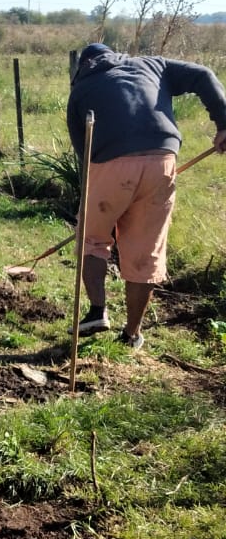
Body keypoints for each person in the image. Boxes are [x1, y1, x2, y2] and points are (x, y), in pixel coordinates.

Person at [67, 42, 226, 350]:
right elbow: (203, 74)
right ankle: (132, 334)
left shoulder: (82, 88)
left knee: (92, 240)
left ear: (83, 66)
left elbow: (83, 155)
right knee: (145, 250)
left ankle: (98, 312)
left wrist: (104, 204)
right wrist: (224, 123)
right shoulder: (152, 64)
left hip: (108, 162)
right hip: (162, 158)